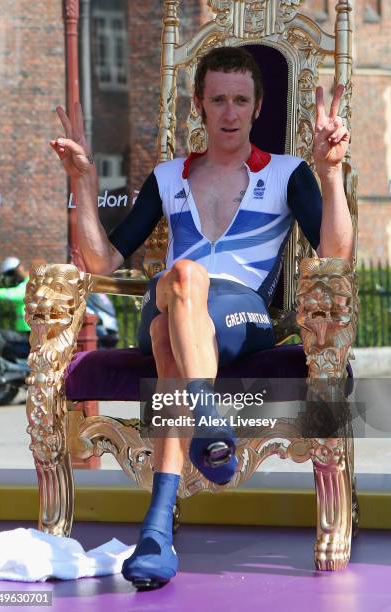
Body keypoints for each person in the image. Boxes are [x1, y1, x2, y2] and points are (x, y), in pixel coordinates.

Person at [50, 47, 353, 589]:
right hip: (172, 297)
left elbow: (334, 254)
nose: (230, 113)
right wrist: (83, 184)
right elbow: (102, 263)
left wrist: (330, 176)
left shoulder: (288, 174)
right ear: (199, 105)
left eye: (241, 100)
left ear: (258, 107)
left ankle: (158, 529)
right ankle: (204, 430)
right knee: (181, 285)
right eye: (218, 100)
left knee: (171, 328)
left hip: (243, 317)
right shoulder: (167, 178)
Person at [0, 257, 31, 358]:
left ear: (18, 270)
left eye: (10, 274)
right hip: (25, 332)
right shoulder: (22, 284)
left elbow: (16, 294)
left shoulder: (30, 284)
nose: (10, 278)